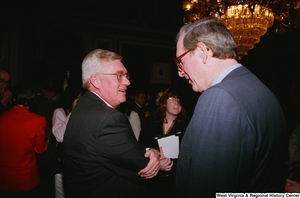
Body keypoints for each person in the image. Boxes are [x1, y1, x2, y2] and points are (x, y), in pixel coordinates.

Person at [174, 17, 286, 197]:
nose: (180, 73)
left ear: (203, 51)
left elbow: (207, 189)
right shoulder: (262, 92)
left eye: (180, 61)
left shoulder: (220, 98)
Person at [63, 49, 161, 198]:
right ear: (96, 81)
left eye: (126, 76)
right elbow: (143, 164)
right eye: (119, 76)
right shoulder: (108, 119)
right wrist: (155, 152)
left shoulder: (83, 105)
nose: (127, 82)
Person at [0, 80, 48, 198]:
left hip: (4, 179)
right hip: (26, 179)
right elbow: (40, 149)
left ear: (14, 98)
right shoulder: (38, 121)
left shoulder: (2, 117)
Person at [139, 86, 189, 198]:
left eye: (179, 100)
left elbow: (190, 156)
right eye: (172, 99)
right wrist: (157, 163)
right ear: (164, 103)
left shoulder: (187, 126)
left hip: (175, 182)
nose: (176, 103)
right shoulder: (150, 122)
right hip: (151, 181)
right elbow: (141, 147)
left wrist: (172, 164)